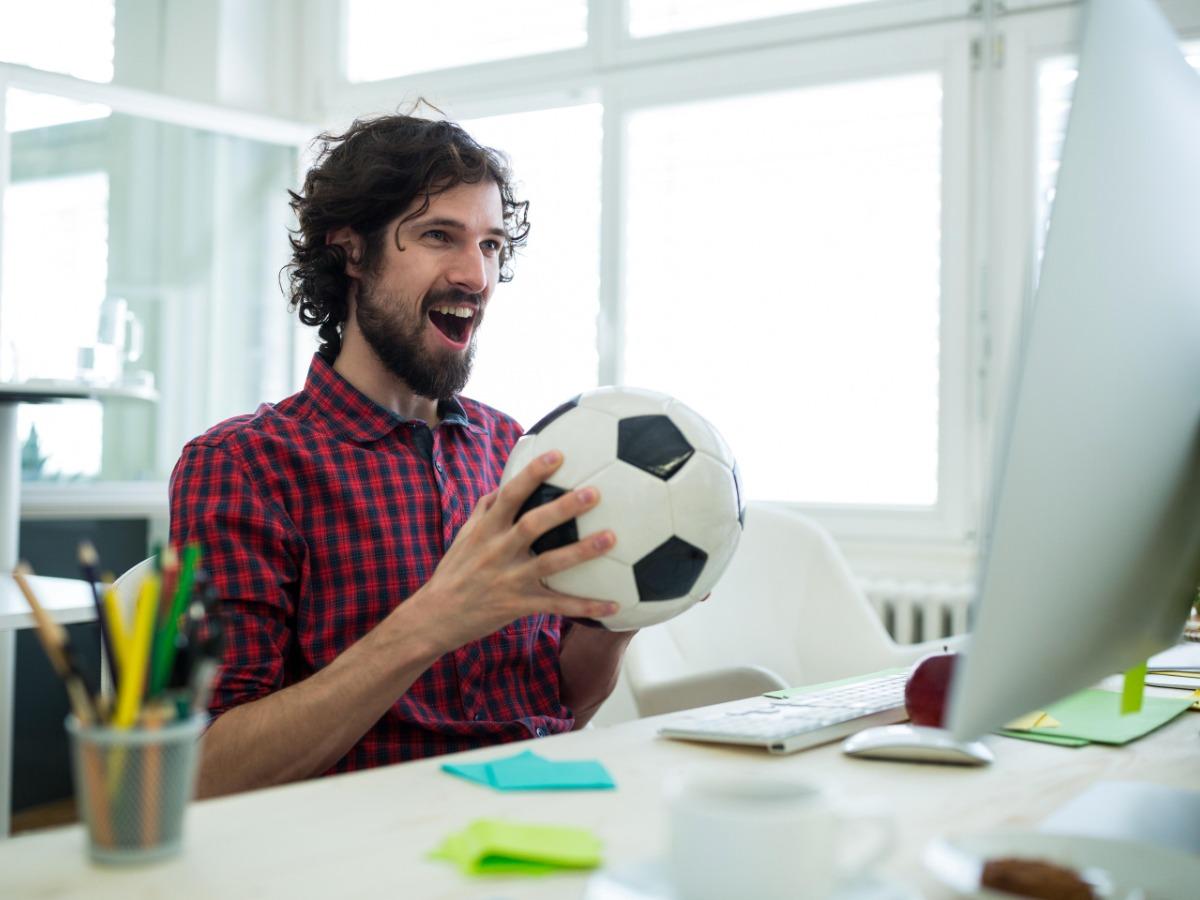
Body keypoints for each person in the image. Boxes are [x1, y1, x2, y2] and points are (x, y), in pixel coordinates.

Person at [169, 114, 633, 799]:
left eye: (493, 245)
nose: (476, 275)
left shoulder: (517, 451)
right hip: (362, 850)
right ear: (351, 252)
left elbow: (560, 709)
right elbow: (206, 773)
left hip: (538, 821)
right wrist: (434, 621)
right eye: (439, 236)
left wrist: (618, 618)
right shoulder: (243, 467)